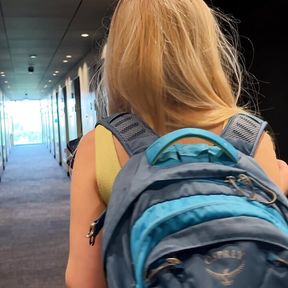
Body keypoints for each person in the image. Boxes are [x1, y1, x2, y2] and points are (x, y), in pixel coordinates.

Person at [65, 0, 288, 287]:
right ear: (208, 45)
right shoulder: (252, 137)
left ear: (122, 54)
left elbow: (83, 280)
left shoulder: (100, 144)